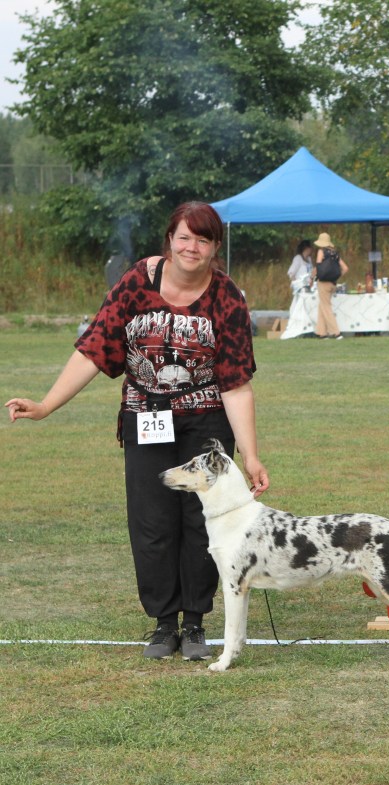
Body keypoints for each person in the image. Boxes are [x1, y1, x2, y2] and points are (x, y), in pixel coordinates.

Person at [6, 201, 270, 661]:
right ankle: (163, 623)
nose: (192, 247)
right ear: (169, 239)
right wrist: (46, 404)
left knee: (201, 523)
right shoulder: (136, 283)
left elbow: (236, 385)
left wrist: (250, 455)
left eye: (202, 239)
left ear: (214, 247)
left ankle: (195, 623)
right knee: (152, 523)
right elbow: (93, 351)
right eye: (184, 237)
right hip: (145, 416)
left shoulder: (227, 298)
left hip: (206, 420)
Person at [312, 232, 349, 339]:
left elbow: (318, 267)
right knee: (322, 306)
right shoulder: (335, 253)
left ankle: (336, 333)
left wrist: (311, 277)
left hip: (323, 283)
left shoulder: (321, 251)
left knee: (326, 307)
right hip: (332, 284)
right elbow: (345, 268)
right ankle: (322, 333)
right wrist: (336, 277)